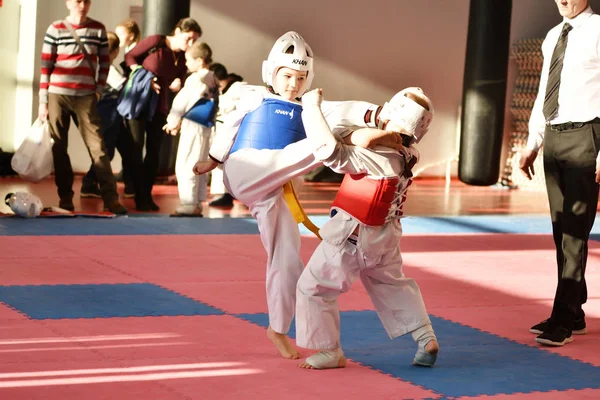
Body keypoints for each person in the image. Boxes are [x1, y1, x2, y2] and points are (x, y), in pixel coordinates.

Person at [193, 31, 406, 359]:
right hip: (245, 168)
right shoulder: (254, 95)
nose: (294, 83)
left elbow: (344, 107)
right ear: (271, 73)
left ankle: (276, 328)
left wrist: (379, 115)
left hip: (268, 190)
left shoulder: (311, 107)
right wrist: (214, 158)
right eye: (288, 76)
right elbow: (231, 124)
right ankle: (340, 145)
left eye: (301, 77)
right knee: (323, 143)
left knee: (287, 256)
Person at [295, 87, 439, 369]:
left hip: (352, 235)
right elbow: (362, 137)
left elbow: (330, 152)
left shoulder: (377, 154)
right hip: (386, 237)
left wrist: (311, 107)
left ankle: (329, 351)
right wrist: (366, 135)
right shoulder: (410, 154)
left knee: (313, 288)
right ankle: (425, 337)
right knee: (393, 285)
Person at [520, 0, 600, 347]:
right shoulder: (553, 35)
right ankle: (575, 311)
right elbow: (544, 92)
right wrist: (532, 141)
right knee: (560, 229)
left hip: (587, 135)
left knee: (575, 233)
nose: (563, 0)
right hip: (554, 135)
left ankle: (563, 318)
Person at [38, 0, 126, 214]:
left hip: (86, 96)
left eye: (86, 1)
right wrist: (43, 100)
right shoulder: (55, 28)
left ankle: (111, 199)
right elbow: (46, 65)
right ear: (68, 3)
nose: (82, 5)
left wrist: (98, 90)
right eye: (78, 1)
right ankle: (65, 198)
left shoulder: (98, 29)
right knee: (59, 148)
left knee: (98, 147)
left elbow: (104, 63)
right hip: (58, 94)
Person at [124, 17, 202, 211]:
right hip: (140, 102)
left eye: (194, 40)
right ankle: (138, 193)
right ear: (177, 31)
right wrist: (143, 76)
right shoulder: (157, 41)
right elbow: (130, 57)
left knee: (153, 152)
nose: (190, 44)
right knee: (135, 148)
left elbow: (180, 82)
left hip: (160, 106)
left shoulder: (183, 58)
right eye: (189, 38)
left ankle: (146, 195)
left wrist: (178, 84)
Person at [163, 42, 219, 216]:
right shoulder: (214, 78)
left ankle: (188, 203)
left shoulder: (195, 78)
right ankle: (196, 203)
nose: (186, 64)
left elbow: (181, 102)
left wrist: (172, 121)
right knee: (201, 164)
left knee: (187, 163)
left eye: (189, 60)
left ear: (200, 61)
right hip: (207, 127)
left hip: (193, 126)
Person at [80, 32, 127, 198]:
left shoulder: (95, 67)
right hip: (107, 115)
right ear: (114, 52)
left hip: (107, 115)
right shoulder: (108, 70)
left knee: (106, 150)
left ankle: (91, 182)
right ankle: (89, 182)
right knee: (105, 151)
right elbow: (123, 86)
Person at [208, 63, 246, 208]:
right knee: (219, 163)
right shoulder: (223, 91)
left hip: (232, 132)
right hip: (221, 130)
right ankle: (224, 195)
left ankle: (227, 195)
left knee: (227, 164)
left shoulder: (238, 87)